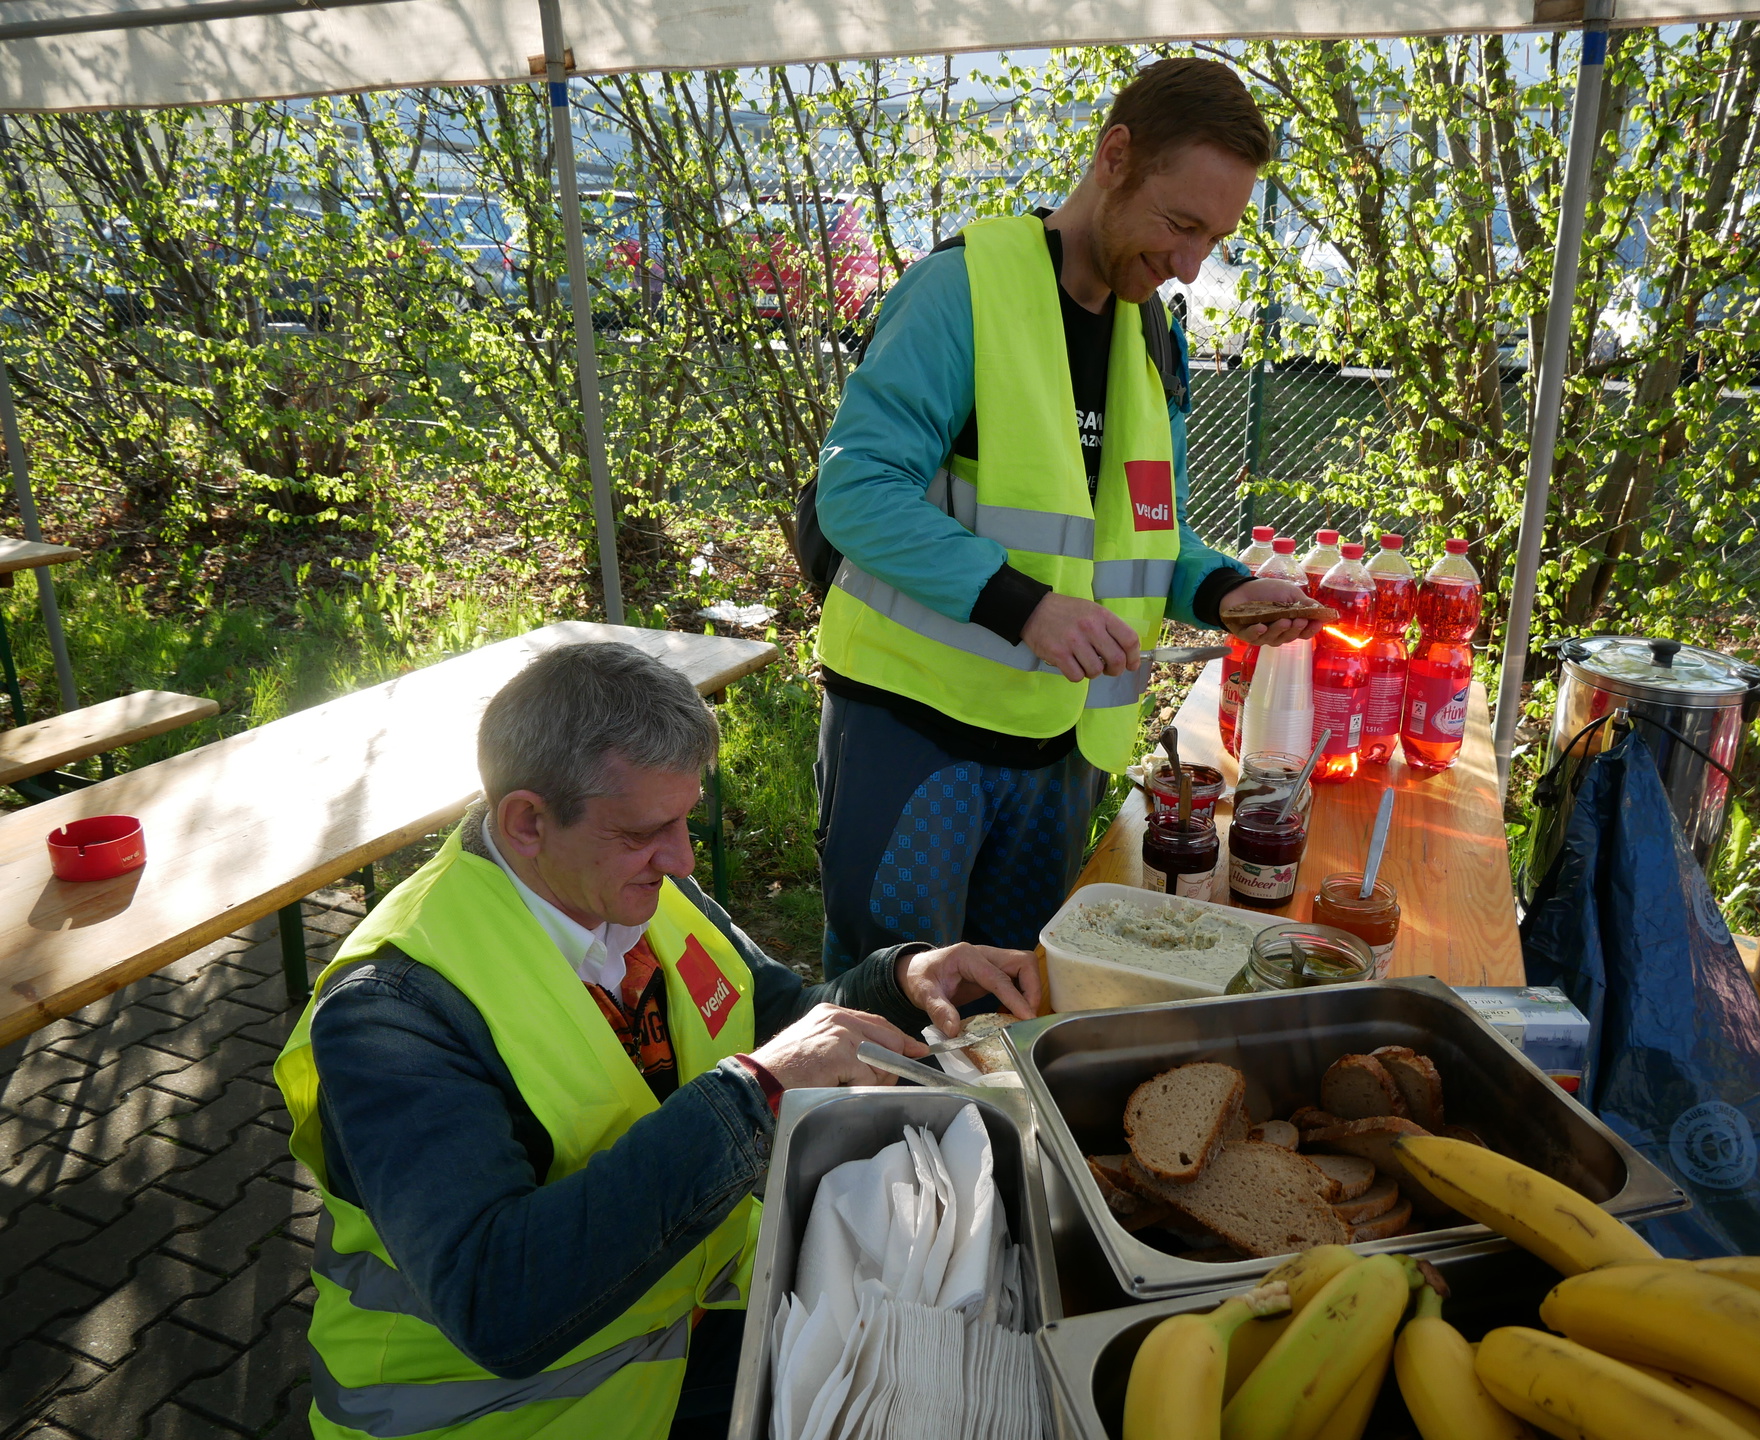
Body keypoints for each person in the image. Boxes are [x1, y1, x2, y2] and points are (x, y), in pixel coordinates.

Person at [272, 642, 1040, 1440]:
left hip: (674, 1323)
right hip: (499, 1412)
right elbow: (498, 1303)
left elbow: (784, 1019)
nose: (680, 858)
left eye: (684, 817)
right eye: (647, 830)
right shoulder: (391, 1011)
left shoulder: (628, 885)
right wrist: (752, 1093)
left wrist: (901, 979)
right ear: (527, 821)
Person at [811, 57, 1324, 975]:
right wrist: (1028, 608)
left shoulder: (1148, 333)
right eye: (1181, 226)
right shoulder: (960, 290)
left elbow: (1138, 535)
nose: (1189, 267)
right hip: (915, 735)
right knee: (899, 1005)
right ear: (1114, 156)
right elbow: (857, 492)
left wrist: (1227, 590)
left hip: (1057, 755)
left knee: (1020, 1001)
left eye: (1215, 240)